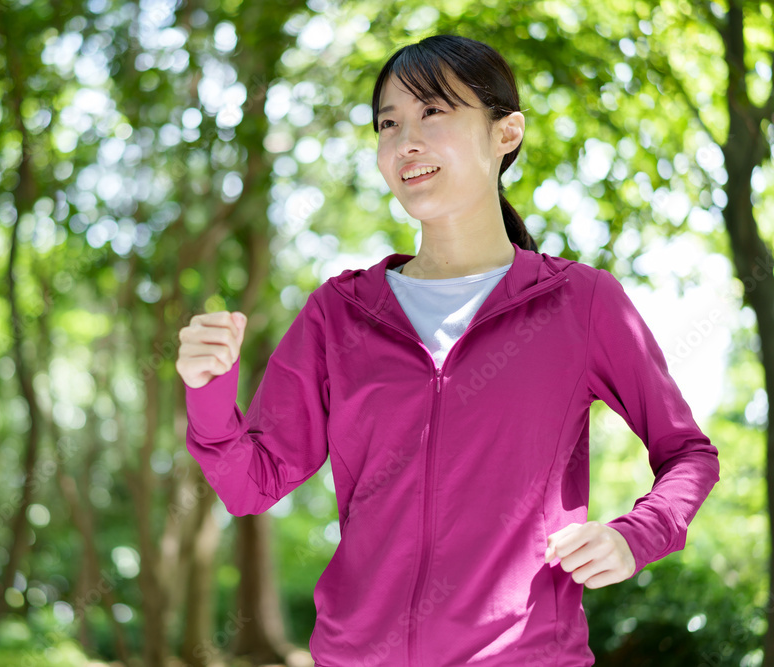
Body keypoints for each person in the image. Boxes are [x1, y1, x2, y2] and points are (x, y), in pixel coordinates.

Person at [177, 33, 720, 667]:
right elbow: (252, 485)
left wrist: (636, 537)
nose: (405, 140)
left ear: (505, 134)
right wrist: (209, 391)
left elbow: (687, 453)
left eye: (433, 112)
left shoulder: (581, 302)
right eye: (388, 123)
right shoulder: (340, 312)